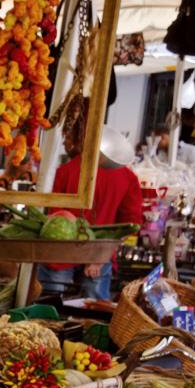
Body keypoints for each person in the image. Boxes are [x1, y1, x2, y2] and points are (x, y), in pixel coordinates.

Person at [38, 124, 144, 301]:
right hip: (100, 254)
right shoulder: (128, 178)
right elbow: (131, 224)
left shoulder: (64, 172)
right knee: (94, 313)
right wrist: (98, 257)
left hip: (60, 254)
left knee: (50, 308)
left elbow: (53, 218)